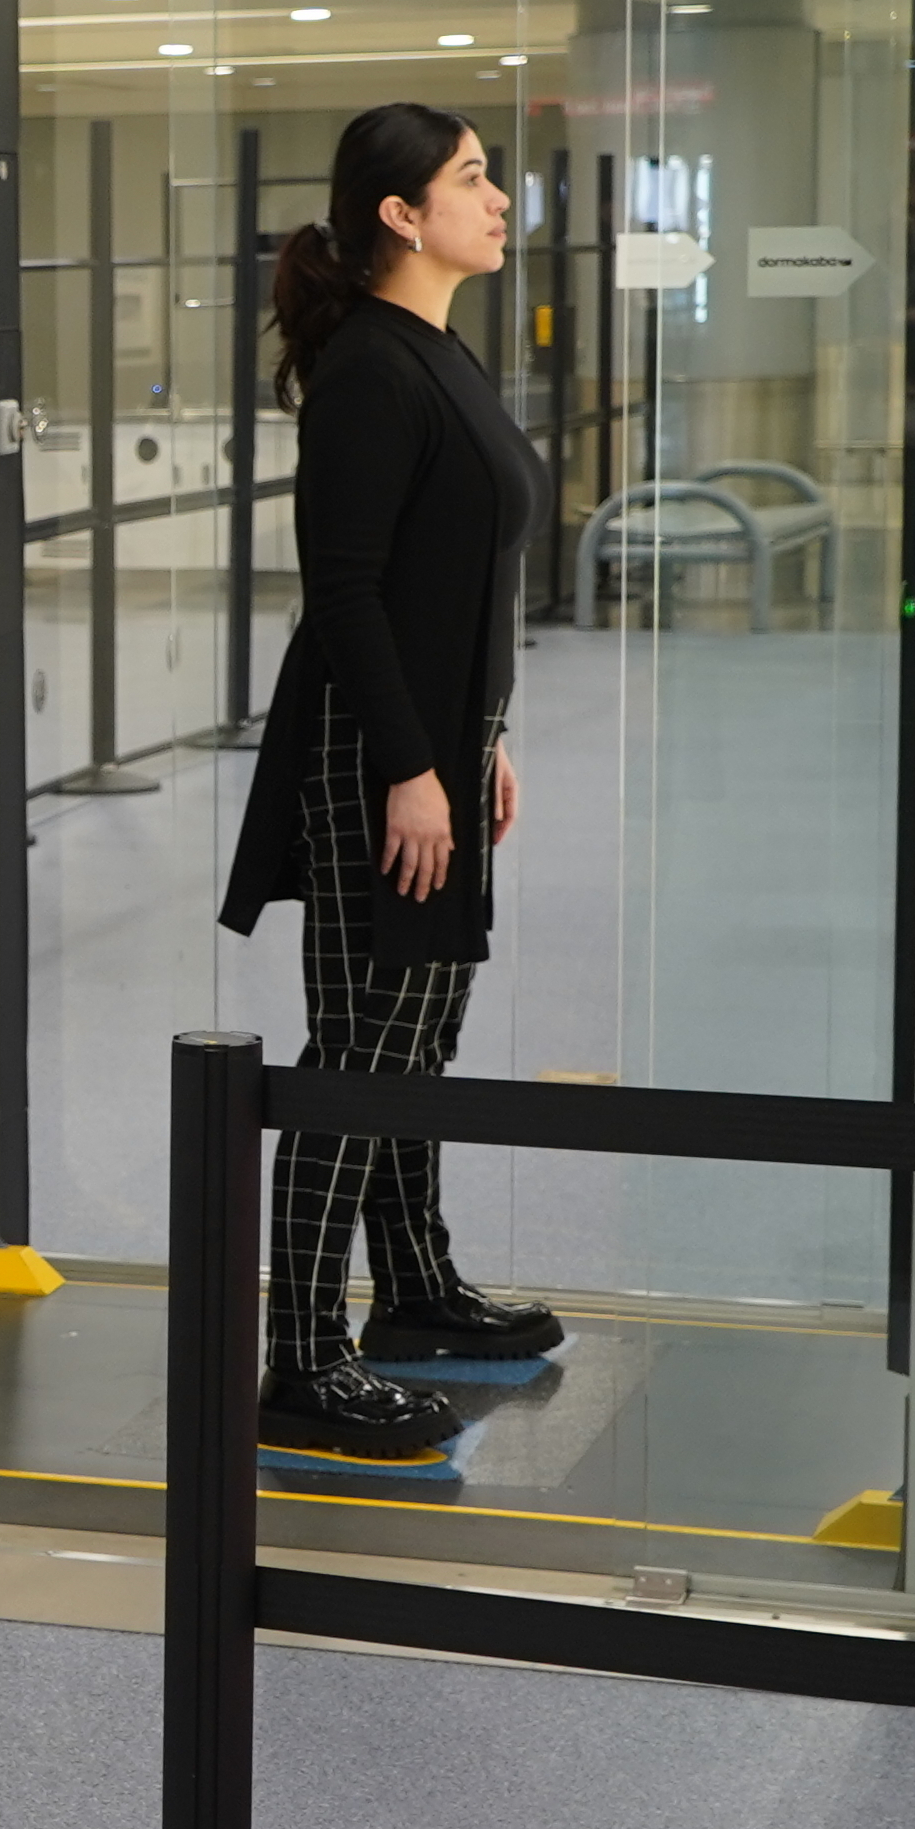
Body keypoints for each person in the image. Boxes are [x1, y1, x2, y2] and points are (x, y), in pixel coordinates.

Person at [216, 100, 569, 1469]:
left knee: (417, 1039)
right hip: (375, 763)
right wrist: (415, 771)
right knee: (361, 1052)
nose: (498, 200)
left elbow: (455, 579)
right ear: (399, 216)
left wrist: (479, 742)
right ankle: (303, 1358)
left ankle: (415, 1287)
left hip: (434, 752)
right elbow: (348, 593)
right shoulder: (371, 368)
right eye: (472, 179)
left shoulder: (436, 351)